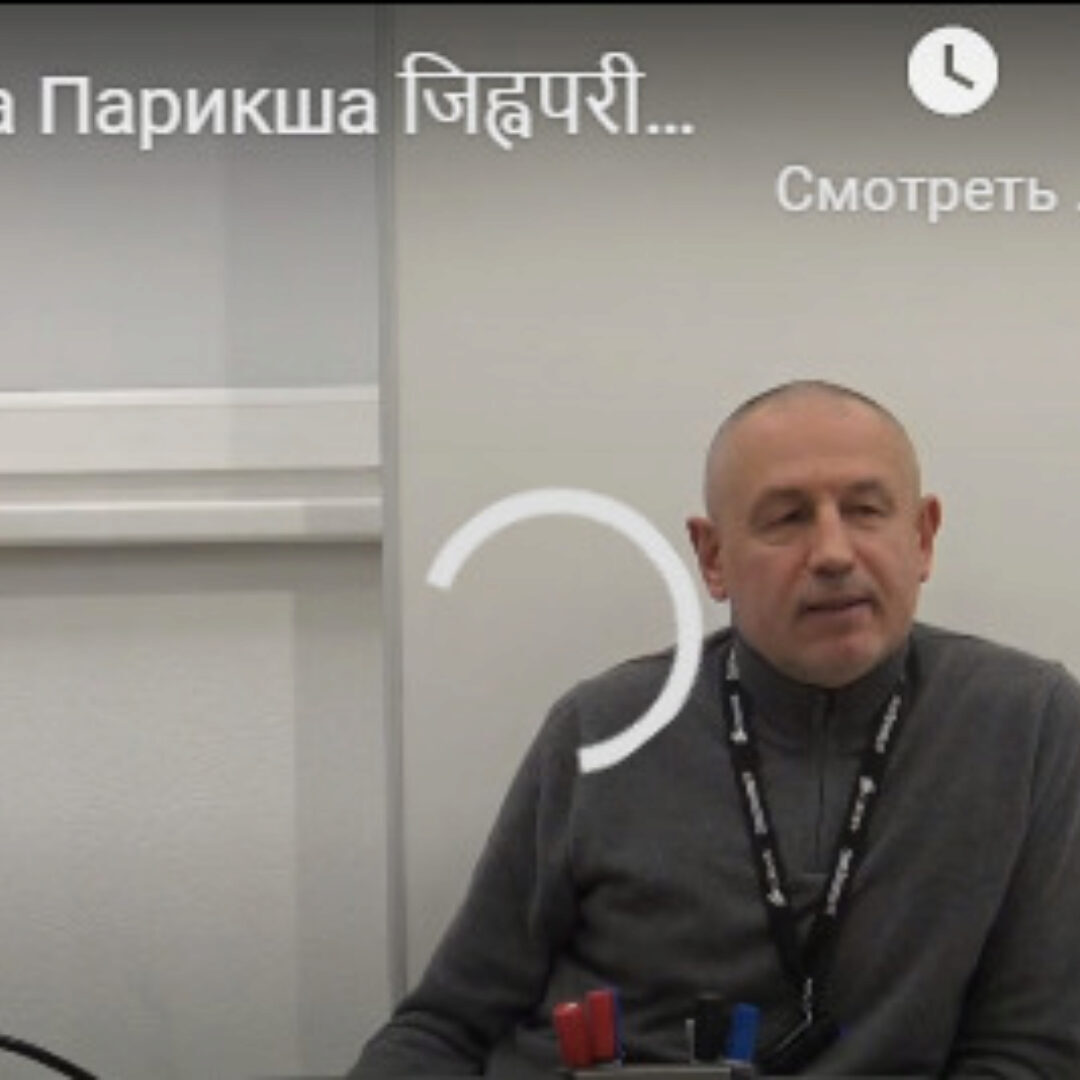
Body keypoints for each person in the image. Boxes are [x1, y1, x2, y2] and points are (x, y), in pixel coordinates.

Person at [351, 380, 1080, 1078]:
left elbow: (1034, 1053)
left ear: (921, 537)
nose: (833, 553)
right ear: (712, 557)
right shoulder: (604, 727)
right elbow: (444, 1027)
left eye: (864, 510)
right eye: (787, 518)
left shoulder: (1028, 723)